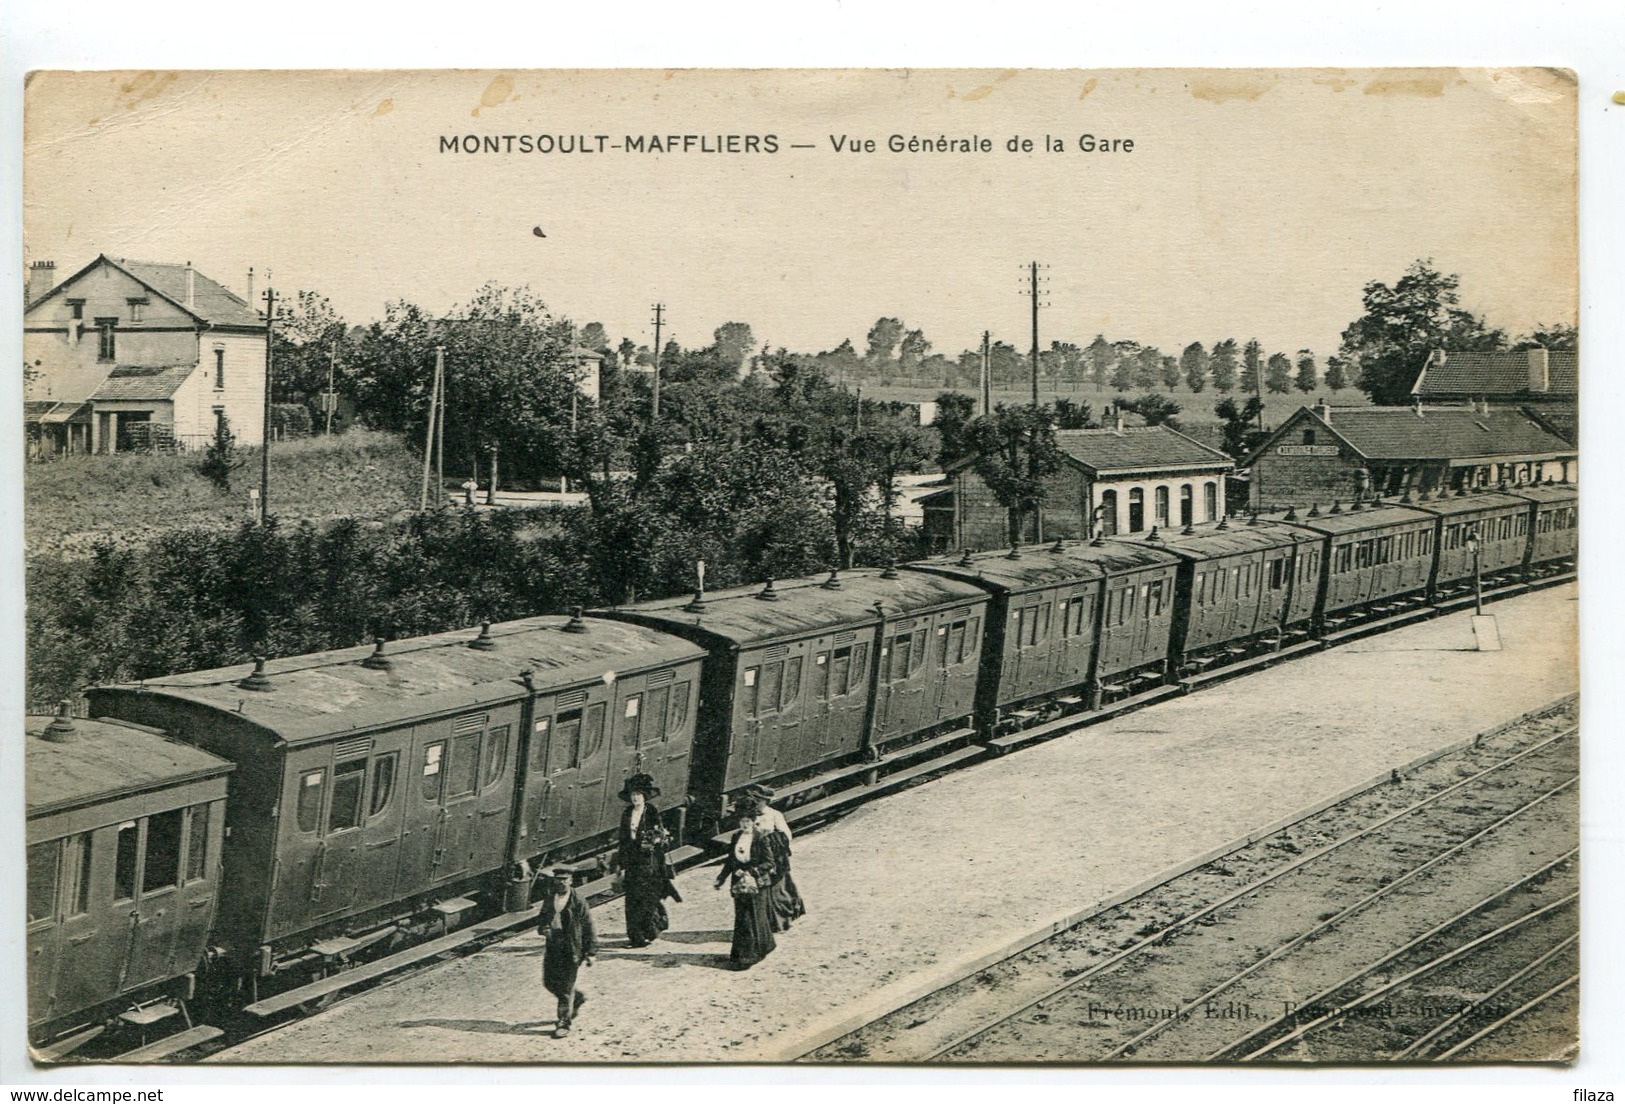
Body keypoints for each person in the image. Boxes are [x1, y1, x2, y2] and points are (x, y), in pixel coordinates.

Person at [615, 772, 679, 948]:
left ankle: (651, 929)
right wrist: (620, 865)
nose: (635, 798)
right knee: (632, 899)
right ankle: (635, 937)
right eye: (633, 795)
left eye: (638, 795)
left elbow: (659, 833)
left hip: (650, 862)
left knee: (647, 898)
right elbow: (623, 839)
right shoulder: (627, 813)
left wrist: (654, 841)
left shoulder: (651, 811)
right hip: (632, 862)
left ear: (644, 796)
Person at [714, 798, 777, 969]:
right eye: (742, 821)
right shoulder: (736, 837)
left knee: (753, 917)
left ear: (753, 821)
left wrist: (752, 872)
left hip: (757, 883)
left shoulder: (761, 837)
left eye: (747, 821)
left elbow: (769, 862)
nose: (744, 824)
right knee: (742, 918)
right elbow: (730, 860)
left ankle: (752, 955)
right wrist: (721, 878)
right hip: (739, 883)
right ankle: (742, 955)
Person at [536, 867, 596, 1038]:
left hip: (572, 948)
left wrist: (591, 952)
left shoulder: (578, 901)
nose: (561, 882)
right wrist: (543, 929)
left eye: (564, 879)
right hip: (554, 945)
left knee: (565, 988)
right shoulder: (550, 898)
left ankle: (563, 1023)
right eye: (558, 879)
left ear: (571, 881)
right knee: (549, 982)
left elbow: (589, 926)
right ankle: (577, 998)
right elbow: (542, 919)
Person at [746, 784, 805, 932]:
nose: (755, 802)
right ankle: (769, 924)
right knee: (763, 891)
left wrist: (772, 847)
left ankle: (784, 922)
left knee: (779, 891)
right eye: (754, 799)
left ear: (765, 801)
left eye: (757, 800)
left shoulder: (774, 815)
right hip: (758, 858)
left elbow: (786, 836)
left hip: (775, 857)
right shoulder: (750, 815)